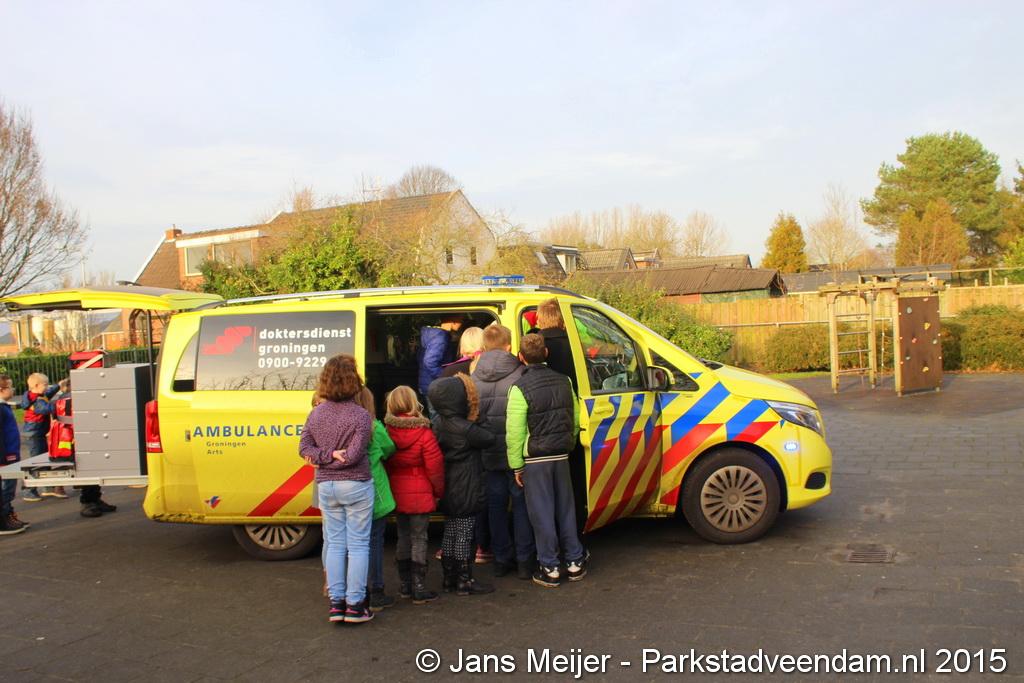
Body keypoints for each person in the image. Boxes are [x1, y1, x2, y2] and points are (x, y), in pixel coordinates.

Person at [506, 333, 589, 588]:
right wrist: (569, 443)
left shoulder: (519, 388)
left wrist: (516, 465)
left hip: (535, 460)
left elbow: (515, 432)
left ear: (521, 357)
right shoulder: (564, 380)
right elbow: (575, 418)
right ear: (546, 353)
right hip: (561, 455)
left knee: (542, 514)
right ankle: (575, 561)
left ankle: (550, 566)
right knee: (566, 509)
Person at [299, 355, 375, 624]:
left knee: (334, 544)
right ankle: (355, 605)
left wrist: (325, 457)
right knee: (358, 545)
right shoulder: (361, 416)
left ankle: (336, 603)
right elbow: (353, 456)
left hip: (326, 486)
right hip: (356, 485)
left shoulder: (316, 414)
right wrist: (335, 455)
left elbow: (304, 449)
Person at [472, 324, 536, 580]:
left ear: (484, 347)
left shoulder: (473, 377)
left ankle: (501, 559)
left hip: (488, 452)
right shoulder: (521, 373)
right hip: (516, 451)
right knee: (521, 506)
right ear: (509, 346)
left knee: (495, 507)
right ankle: (524, 560)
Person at [428, 374, 495, 596]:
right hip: (466, 484)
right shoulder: (466, 428)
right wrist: (478, 414)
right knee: (465, 532)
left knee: (450, 531)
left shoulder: (438, 424)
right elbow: (489, 438)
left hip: (447, 484)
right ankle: (465, 580)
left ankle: (449, 577)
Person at [384, 385, 444, 604]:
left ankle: (405, 585)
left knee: (402, 536)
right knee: (420, 538)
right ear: (413, 403)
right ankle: (419, 587)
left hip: (396, 491)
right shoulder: (424, 432)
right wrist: (438, 492)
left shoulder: (386, 432)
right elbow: (435, 467)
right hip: (420, 492)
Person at [352, 386, 398, 612]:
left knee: (351, 544)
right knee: (373, 543)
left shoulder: (344, 425)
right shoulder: (374, 426)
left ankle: (354, 592)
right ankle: (376, 590)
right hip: (373, 490)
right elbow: (389, 448)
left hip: (349, 491)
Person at [19, 373, 67, 501]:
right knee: (36, 463)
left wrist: (58, 385)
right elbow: (47, 408)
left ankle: (48, 487)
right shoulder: (37, 401)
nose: (47, 387)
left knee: (44, 460)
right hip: (35, 434)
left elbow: (47, 394)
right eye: (45, 385)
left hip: (37, 433)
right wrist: (62, 402)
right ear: (36, 385)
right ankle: (29, 490)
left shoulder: (35, 395)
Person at [0, 375, 27, 535]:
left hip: (10, 454)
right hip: (5, 457)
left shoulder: (4, 406)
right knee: (6, 489)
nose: (13, 390)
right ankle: (3, 521)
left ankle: (8, 515)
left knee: (9, 489)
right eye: (10, 387)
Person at [417, 314, 464, 406]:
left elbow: (420, 357)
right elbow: (429, 361)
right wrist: (445, 375)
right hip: (435, 387)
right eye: (461, 320)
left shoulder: (432, 335)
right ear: (453, 321)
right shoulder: (440, 337)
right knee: (439, 414)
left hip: (427, 384)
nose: (462, 323)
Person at [536, 298, 578, 395]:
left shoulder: (534, 345)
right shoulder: (574, 342)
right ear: (562, 318)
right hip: (571, 396)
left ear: (539, 320)